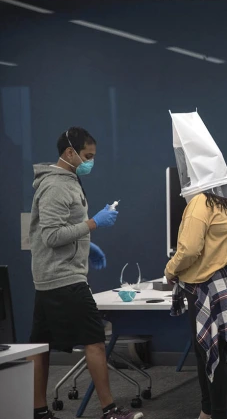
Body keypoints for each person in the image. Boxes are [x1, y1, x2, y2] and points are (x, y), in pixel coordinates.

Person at [28, 127, 142, 419]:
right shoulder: (56, 186)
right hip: (64, 278)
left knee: (41, 345)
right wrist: (93, 224)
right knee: (94, 339)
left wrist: (87, 245)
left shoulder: (68, 180)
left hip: (52, 276)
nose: (91, 162)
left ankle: (38, 411)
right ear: (70, 153)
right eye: (87, 156)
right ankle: (109, 410)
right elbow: (51, 236)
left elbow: (62, 230)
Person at [165, 190, 227, 419]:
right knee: (219, 351)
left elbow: (190, 249)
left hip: (205, 286)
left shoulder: (200, 203)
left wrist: (170, 269)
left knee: (208, 352)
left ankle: (215, 413)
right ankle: (209, 411)